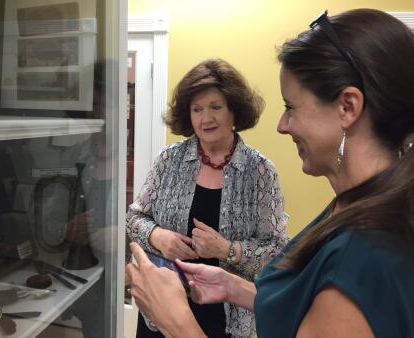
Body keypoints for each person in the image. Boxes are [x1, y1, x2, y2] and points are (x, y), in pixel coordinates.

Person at [126, 9, 414, 338]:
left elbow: (277, 253)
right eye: (197, 109)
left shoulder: (364, 259)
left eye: (291, 107)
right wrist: (233, 286)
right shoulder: (356, 206)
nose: (282, 125)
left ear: (347, 107)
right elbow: (301, 299)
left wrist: (177, 323)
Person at [126, 58, 288, 338]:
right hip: (162, 307)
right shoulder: (169, 159)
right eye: (197, 109)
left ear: (234, 111)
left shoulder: (260, 171)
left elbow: (275, 250)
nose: (206, 118)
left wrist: (226, 248)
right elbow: (134, 218)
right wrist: (158, 237)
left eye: (216, 107)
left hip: (226, 316)